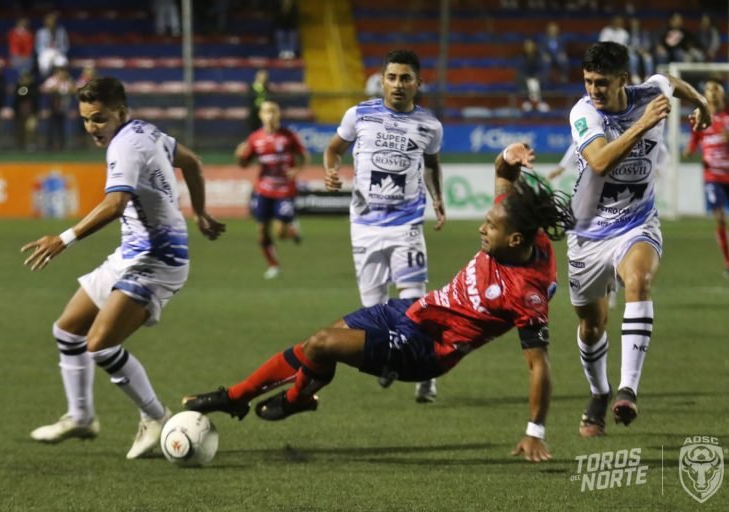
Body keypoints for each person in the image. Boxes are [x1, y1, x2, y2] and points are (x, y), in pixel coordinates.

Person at [182, 143, 575, 463]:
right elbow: (504, 174)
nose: (481, 228)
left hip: (426, 349)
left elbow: (538, 365)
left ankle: (263, 397)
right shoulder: (519, 225)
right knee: (319, 343)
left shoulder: (527, 294)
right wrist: (511, 155)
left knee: (321, 344)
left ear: (515, 241)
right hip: (413, 311)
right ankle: (266, 399)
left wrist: (534, 431)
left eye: (490, 226)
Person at [21, 77, 226, 459]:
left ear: (120, 112)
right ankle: (81, 416)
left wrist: (62, 240)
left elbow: (115, 204)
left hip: (158, 259)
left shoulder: (125, 145)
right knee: (67, 331)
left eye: (98, 119)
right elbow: (192, 162)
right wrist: (198, 212)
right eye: (85, 119)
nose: (91, 128)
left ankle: (156, 417)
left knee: (99, 344)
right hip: (131, 253)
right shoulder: (146, 131)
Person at [567, 41, 710, 437]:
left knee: (640, 280)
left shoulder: (650, 92)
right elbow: (598, 162)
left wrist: (703, 103)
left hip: (636, 223)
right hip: (588, 233)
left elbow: (672, 83)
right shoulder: (583, 113)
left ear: (623, 81)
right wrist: (643, 124)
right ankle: (599, 391)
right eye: (588, 82)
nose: (593, 90)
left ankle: (628, 389)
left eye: (602, 83)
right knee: (591, 325)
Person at [323, 49, 446, 403]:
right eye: (391, 77)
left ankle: (427, 374)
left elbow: (432, 163)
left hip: (406, 224)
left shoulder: (429, 125)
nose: (397, 84)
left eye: (405, 78)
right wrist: (330, 170)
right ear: (382, 80)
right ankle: (392, 361)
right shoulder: (359, 115)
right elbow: (333, 150)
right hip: (363, 226)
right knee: (373, 310)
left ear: (418, 83)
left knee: (413, 306)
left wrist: (437, 198)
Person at [235, 100, 309, 279]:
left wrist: (297, 170)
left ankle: (292, 231)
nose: (270, 115)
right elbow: (244, 164)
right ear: (260, 115)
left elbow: (304, 156)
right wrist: (239, 155)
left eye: (273, 111)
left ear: (278, 114)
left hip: (284, 189)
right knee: (261, 231)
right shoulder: (255, 138)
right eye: (266, 112)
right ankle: (273, 265)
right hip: (263, 189)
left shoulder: (289, 136)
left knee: (280, 233)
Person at [684, 79, 729, 276]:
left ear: (722, 93)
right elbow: (696, 137)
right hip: (713, 175)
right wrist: (691, 150)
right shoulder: (700, 114)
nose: (711, 92)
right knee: (719, 218)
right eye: (708, 89)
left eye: (715, 89)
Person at [40, 62, 75, 151]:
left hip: (64, 107)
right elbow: (43, 89)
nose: (62, 73)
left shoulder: (68, 81)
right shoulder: (51, 80)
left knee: (62, 128)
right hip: (52, 108)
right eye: (60, 71)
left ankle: (62, 146)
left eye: (63, 71)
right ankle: (49, 146)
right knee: (51, 127)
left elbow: (74, 90)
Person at [35, 12, 69, 77]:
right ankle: (46, 80)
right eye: (49, 20)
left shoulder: (61, 31)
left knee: (63, 62)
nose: (51, 22)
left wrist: (59, 51)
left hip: (58, 52)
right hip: (45, 53)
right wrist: (46, 51)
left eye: (53, 20)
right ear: (45, 22)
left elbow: (66, 45)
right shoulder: (41, 32)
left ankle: (59, 81)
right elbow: (38, 47)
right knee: (44, 65)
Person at [13, 70, 39, 151]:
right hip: (20, 112)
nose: (25, 80)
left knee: (31, 129)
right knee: (20, 129)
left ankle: (32, 145)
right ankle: (20, 146)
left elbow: (33, 96)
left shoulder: (33, 86)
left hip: (32, 111)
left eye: (27, 78)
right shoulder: (18, 86)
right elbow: (17, 97)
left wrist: (26, 87)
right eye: (23, 78)